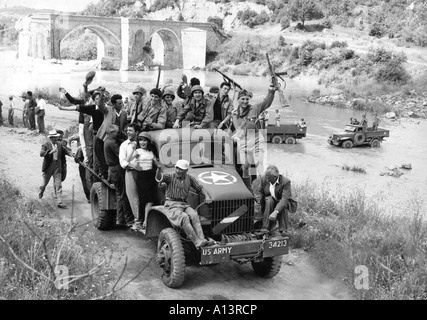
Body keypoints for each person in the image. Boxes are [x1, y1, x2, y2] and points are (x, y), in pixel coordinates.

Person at [155, 159, 214, 248]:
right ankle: (197, 242)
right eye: (177, 168)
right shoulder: (170, 176)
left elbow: (199, 188)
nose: (178, 171)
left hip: (184, 204)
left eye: (181, 169)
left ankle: (202, 240)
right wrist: (158, 169)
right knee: (184, 217)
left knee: (194, 214)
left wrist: (207, 196)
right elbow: (159, 178)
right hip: (171, 204)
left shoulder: (189, 178)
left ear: (186, 170)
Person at [126, 131, 158, 232]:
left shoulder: (150, 152)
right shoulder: (138, 151)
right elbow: (128, 160)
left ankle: (145, 221)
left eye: (144, 140)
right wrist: (133, 151)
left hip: (151, 176)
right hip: (142, 176)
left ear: (148, 142)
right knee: (144, 199)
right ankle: (141, 221)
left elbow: (156, 162)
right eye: (140, 140)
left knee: (150, 199)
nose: (142, 142)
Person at [104, 125, 133, 227]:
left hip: (113, 170)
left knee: (120, 194)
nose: (117, 134)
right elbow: (121, 156)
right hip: (117, 169)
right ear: (111, 133)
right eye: (116, 132)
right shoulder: (112, 143)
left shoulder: (107, 141)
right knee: (122, 195)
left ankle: (120, 219)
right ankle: (125, 219)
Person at [39, 130, 74, 209]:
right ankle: (41, 190)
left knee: (58, 184)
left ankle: (60, 202)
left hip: (57, 166)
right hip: (48, 166)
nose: (55, 139)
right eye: (54, 138)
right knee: (44, 183)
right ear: (50, 138)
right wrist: (50, 152)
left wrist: (71, 154)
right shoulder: (45, 145)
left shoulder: (59, 144)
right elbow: (41, 154)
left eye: (56, 137)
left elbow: (65, 150)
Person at [254, 165, 293, 236]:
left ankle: (283, 230)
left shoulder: (286, 182)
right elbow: (260, 192)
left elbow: (284, 199)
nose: (266, 177)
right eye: (266, 175)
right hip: (269, 202)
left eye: (268, 176)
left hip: (280, 202)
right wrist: (258, 202)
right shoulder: (264, 179)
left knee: (283, 204)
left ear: (275, 177)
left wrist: (275, 212)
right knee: (269, 200)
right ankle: (265, 229)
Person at [119, 123, 141, 227]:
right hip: (131, 172)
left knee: (144, 196)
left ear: (136, 132)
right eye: (127, 130)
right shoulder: (124, 145)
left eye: (130, 130)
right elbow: (123, 163)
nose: (128, 132)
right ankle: (137, 220)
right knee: (133, 196)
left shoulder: (142, 142)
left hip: (143, 173)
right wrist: (132, 166)